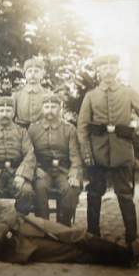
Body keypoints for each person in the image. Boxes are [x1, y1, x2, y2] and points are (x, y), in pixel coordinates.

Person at [0, 175, 139, 267]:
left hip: (28, 224)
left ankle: (123, 252)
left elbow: (9, 211)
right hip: (14, 246)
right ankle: (122, 261)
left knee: (72, 234)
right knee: (69, 252)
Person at [77, 54, 139, 254]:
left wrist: (137, 133)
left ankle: (132, 236)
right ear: (98, 71)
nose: (108, 70)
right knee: (94, 194)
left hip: (122, 152)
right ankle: (93, 235)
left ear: (117, 69)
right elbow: (82, 128)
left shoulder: (128, 93)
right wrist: (87, 153)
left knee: (125, 195)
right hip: (97, 153)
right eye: (104, 67)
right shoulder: (91, 96)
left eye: (112, 66)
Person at [28, 93, 83, 226]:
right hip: (42, 170)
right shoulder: (33, 129)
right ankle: (44, 228)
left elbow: (75, 156)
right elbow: (28, 154)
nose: (50, 110)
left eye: (53, 106)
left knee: (71, 189)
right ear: (42, 109)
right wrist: (35, 169)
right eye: (46, 107)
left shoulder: (69, 129)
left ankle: (63, 227)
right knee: (39, 188)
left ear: (60, 108)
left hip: (63, 171)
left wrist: (74, 174)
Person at [13, 57, 52, 128]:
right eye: (30, 71)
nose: (33, 74)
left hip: (42, 132)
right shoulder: (17, 95)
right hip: (21, 132)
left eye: (36, 71)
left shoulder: (48, 94)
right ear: (25, 74)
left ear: (42, 74)